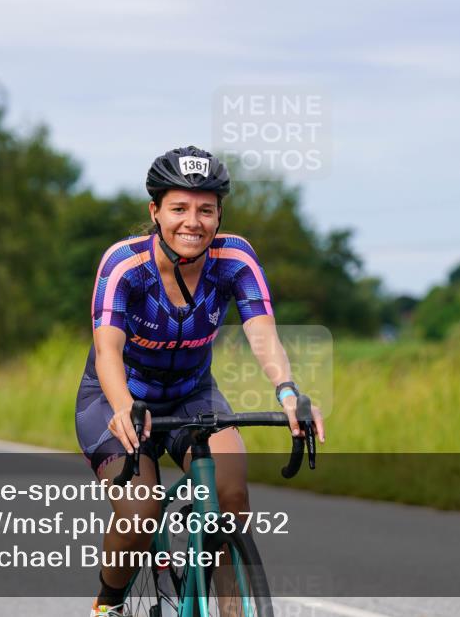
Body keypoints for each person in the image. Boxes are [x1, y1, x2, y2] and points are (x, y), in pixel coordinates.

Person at [76, 145, 325, 617]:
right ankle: (106, 605)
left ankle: (229, 607)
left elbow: (263, 334)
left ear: (219, 215)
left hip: (193, 394)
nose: (193, 221)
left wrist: (288, 391)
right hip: (116, 398)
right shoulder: (124, 265)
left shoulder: (235, 258)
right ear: (155, 212)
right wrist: (125, 407)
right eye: (179, 208)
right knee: (140, 512)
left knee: (230, 495)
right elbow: (107, 349)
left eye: (206, 209)